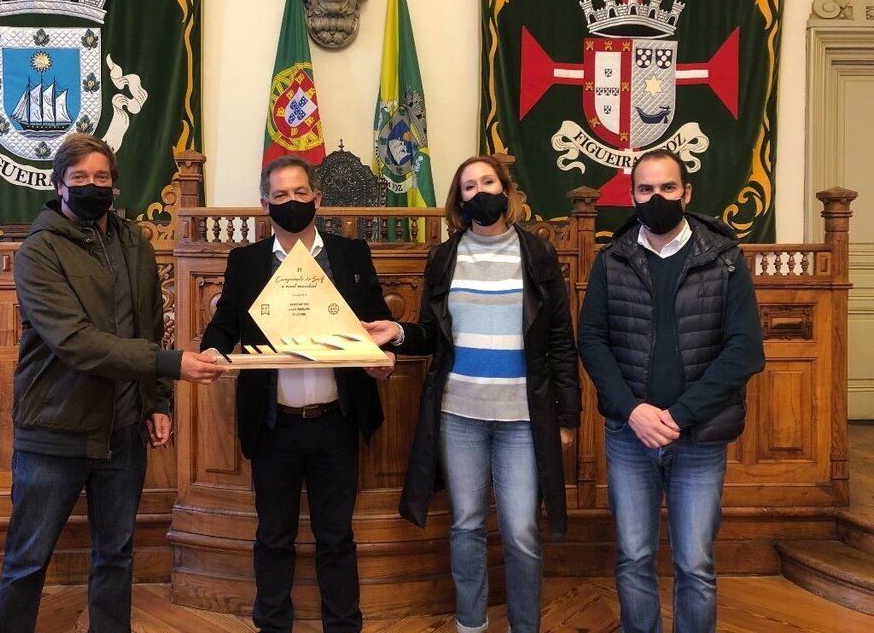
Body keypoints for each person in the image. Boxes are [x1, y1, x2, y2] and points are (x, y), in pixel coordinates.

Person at [0, 134, 224, 633]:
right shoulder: (38, 251)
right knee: (28, 559)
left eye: (101, 177)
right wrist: (170, 365)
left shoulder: (134, 243)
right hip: (55, 429)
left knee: (116, 555)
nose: (91, 186)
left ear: (114, 184)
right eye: (79, 178)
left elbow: (149, 325)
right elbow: (75, 341)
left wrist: (157, 400)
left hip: (123, 430)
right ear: (59, 184)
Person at [365, 156, 581, 633]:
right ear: (459, 200)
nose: (479, 191)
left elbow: (561, 340)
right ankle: (471, 624)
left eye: (488, 182)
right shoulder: (445, 256)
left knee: (521, 531)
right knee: (465, 524)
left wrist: (568, 417)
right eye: (469, 186)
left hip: (523, 417)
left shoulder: (538, 254)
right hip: (459, 415)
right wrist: (397, 332)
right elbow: (431, 333)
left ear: (506, 190)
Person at [199, 154, 395, 633]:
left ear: (317, 199)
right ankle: (272, 625)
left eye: (300, 193)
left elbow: (377, 325)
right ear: (265, 204)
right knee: (273, 536)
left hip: (336, 421)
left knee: (336, 536)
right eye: (281, 195)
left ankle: (343, 625)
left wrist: (381, 361)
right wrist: (209, 351)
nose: (292, 202)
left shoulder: (351, 255)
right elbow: (223, 326)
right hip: (274, 425)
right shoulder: (246, 262)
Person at [577, 149, 765, 633]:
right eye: (645, 189)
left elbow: (744, 351)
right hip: (630, 437)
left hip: (699, 438)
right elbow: (592, 341)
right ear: (632, 195)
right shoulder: (611, 259)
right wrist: (632, 410)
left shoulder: (724, 259)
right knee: (633, 556)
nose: (656, 197)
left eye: (667, 188)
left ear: (687, 193)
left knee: (695, 564)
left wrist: (680, 414)